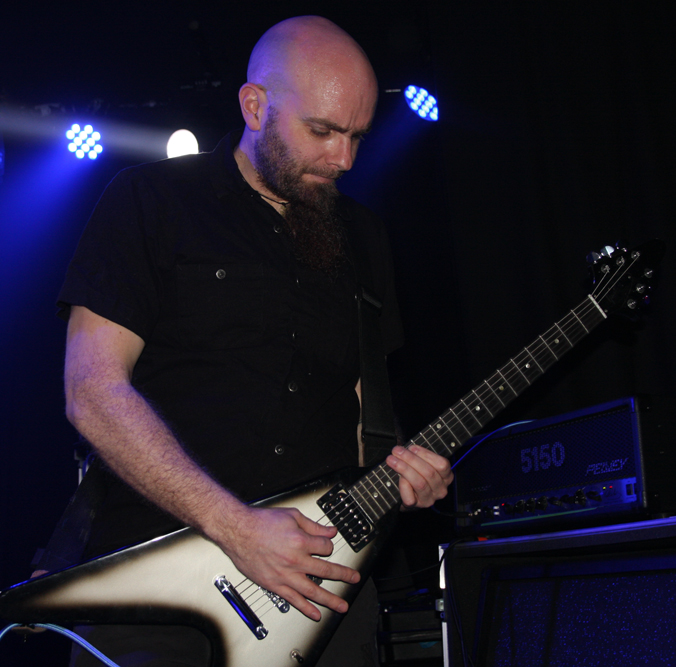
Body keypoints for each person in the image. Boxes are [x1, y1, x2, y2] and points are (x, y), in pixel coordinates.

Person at [56, 15, 453, 666]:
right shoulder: (151, 200)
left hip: (320, 593)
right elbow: (92, 391)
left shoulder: (364, 236)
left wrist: (403, 479)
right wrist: (236, 527)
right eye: (322, 131)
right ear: (255, 105)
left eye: (357, 136)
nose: (344, 159)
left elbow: (365, 412)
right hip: (157, 587)